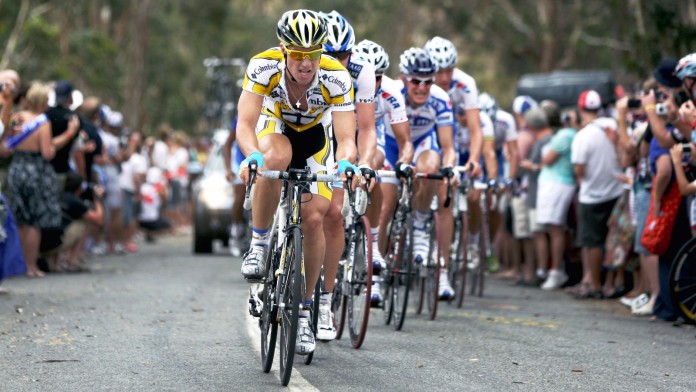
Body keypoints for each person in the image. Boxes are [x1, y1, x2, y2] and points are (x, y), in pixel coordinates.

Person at [237, 9, 357, 355]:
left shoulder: (336, 76)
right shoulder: (263, 65)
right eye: (299, 54)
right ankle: (259, 245)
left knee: (315, 218)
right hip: (276, 130)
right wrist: (252, 155)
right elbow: (245, 123)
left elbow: (346, 136)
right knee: (275, 157)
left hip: (315, 140)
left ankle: (304, 311)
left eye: (314, 54)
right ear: (284, 50)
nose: (307, 63)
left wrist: (347, 161)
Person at [317, 10, 379, 341]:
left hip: (343, 134)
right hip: (310, 129)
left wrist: (365, 161)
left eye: (345, 54)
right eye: (331, 55)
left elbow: (366, 129)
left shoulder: (361, 71)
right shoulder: (305, 66)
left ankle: (325, 301)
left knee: (333, 213)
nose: (339, 62)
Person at [378, 47, 457, 299]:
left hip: (423, 145)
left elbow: (448, 148)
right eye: (415, 81)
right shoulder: (392, 93)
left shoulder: (440, 99)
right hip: (391, 147)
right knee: (385, 206)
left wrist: (451, 168)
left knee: (432, 168)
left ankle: (421, 222)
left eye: (428, 81)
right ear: (404, 78)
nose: (422, 87)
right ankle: (376, 274)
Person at [352, 39, 414, 305]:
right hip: (336, 136)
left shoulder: (390, 92)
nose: (374, 83)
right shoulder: (342, 81)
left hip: (369, 139)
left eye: (378, 77)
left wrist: (404, 162)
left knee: (374, 164)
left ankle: (373, 245)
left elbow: (405, 142)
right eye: (370, 77)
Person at [5, 82, 63, 277]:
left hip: (17, 168)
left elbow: (7, 146)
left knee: (20, 219)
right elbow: (47, 153)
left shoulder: (16, 118)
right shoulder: (42, 122)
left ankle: (18, 265)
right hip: (35, 171)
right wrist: (55, 147)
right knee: (33, 222)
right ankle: (31, 266)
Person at [569, 90, 623, 299]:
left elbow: (579, 169)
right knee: (612, 240)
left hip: (591, 195)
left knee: (591, 241)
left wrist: (582, 180)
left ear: (581, 109)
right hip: (615, 190)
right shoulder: (613, 126)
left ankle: (595, 284)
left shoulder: (583, 135)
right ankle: (608, 282)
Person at [535, 101, 576, 290]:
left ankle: (556, 270)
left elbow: (547, 159)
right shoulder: (560, 134)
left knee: (556, 228)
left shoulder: (566, 134)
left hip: (559, 183)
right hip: (553, 184)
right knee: (553, 229)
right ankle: (555, 269)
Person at [45, 81, 82, 191]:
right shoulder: (74, 119)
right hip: (60, 168)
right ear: (70, 96)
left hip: (42, 166)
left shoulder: (46, 114)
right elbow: (76, 147)